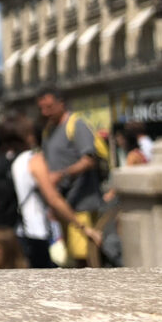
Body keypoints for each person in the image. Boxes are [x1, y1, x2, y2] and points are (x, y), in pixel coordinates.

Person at [0, 112, 102, 269]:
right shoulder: (32, 159)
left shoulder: (4, 159)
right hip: (35, 232)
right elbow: (53, 198)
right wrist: (83, 227)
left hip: (13, 231)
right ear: (26, 135)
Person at [37, 85, 104, 261]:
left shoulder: (76, 125)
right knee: (69, 258)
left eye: (49, 107)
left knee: (84, 255)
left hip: (82, 203)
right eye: (42, 108)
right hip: (62, 205)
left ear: (62, 103)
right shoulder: (48, 131)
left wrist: (62, 174)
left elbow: (89, 160)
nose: (45, 112)